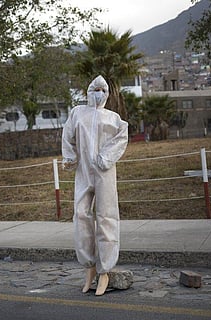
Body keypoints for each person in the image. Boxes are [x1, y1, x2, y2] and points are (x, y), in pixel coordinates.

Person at [61, 75, 128, 296]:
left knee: (106, 216)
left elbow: (122, 137)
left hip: (104, 172)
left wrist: (106, 157)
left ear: (106, 93)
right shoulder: (77, 112)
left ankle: (105, 270)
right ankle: (89, 266)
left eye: (102, 89)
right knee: (81, 215)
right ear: (89, 91)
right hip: (83, 172)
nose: (98, 93)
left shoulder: (113, 118)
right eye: (95, 89)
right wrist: (70, 158)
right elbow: (67, 136)